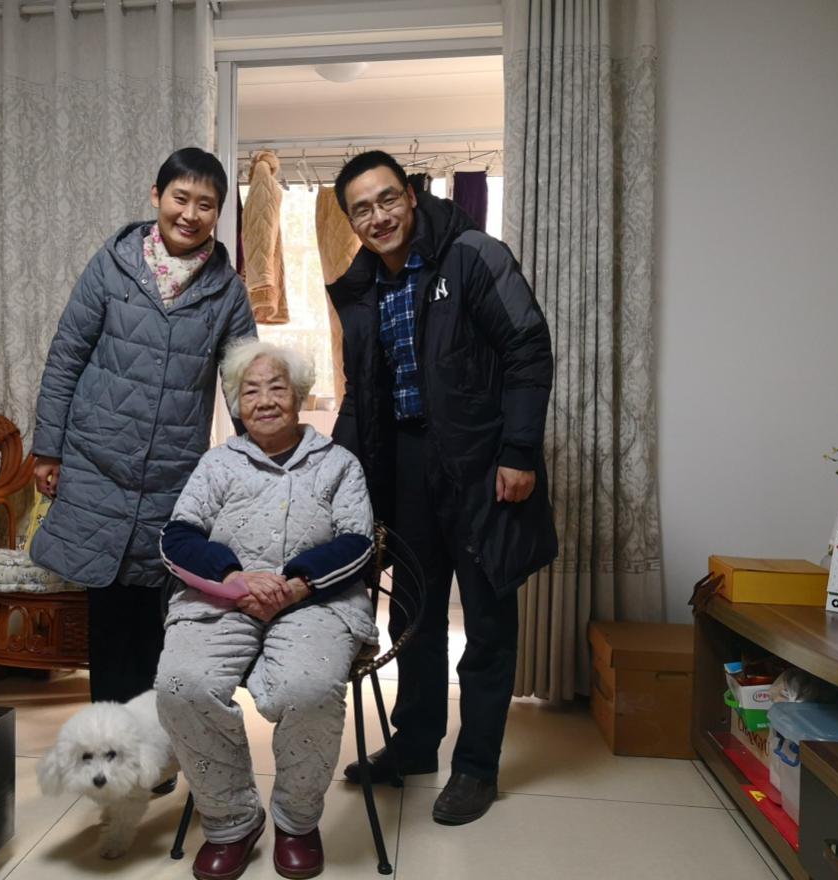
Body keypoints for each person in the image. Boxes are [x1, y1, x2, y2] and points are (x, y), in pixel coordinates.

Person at [329, 150, 558, 825]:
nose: (378, 217)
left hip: (480, 462)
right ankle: (415, 744)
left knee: (485, 620)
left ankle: (476, 767)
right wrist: (333, 474)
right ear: (350, 221)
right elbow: (360, 396)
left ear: (409, 194)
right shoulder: (362, 287)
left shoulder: (472, 255)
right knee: (413, 614)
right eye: (361, 209)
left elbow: (527, 349)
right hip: (404, 465)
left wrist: (519, 451)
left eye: (386, 199)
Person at [30, 147, 256, 707]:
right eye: (181, 198)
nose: (191, 214)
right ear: (157, 196)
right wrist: (48, 449)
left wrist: (260, 465)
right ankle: (112, 739)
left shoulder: (227, 289)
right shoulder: (113, 265)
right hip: (97, 466)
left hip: (172, 476)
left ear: (218, 212)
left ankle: (154, 741)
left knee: (159, 615)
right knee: (107, 615)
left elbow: (244, 381)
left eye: (206, 205)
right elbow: (67, 355)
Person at [155, 339, 377, 880]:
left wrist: (297, 583)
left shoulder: (338, 463)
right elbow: (177, 537)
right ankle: (232, 821)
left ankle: (297, 822)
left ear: (298, 395)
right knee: (181, 684)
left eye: (277, 387)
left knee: (309, 688)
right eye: (251, 391)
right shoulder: (218, 463)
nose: (265, 400)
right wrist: (232, 577)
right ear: (237, 403)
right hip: (222, 599)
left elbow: (359, 542)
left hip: (313, 601)